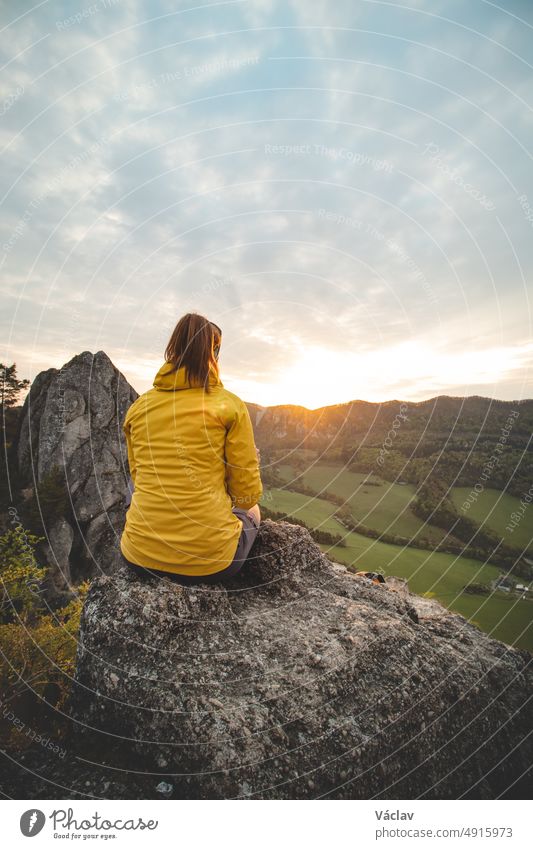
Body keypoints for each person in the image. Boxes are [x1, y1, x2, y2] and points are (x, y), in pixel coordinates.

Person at [120, 312, 263, 585]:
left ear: (172, 350)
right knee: (254, 510)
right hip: (211, 563)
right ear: (214, 354)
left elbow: (138, 478)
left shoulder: (139, 407)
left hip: (138, 556)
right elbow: (246, 498)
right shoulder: (230, 405)